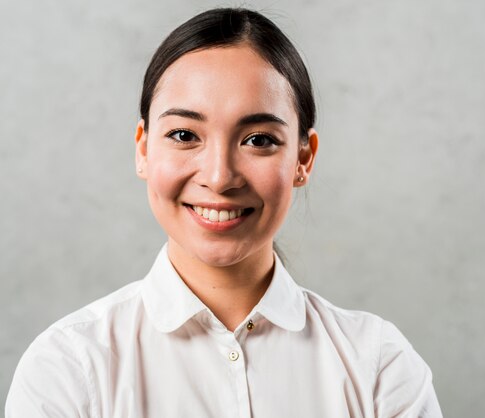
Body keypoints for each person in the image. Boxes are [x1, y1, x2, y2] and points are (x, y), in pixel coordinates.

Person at [5, 8, 443, 418]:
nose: (219, 177)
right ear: (143, 149)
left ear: (303, 159)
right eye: (183, 134)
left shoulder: (378, 366)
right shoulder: (68, 367)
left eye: (258, 140)